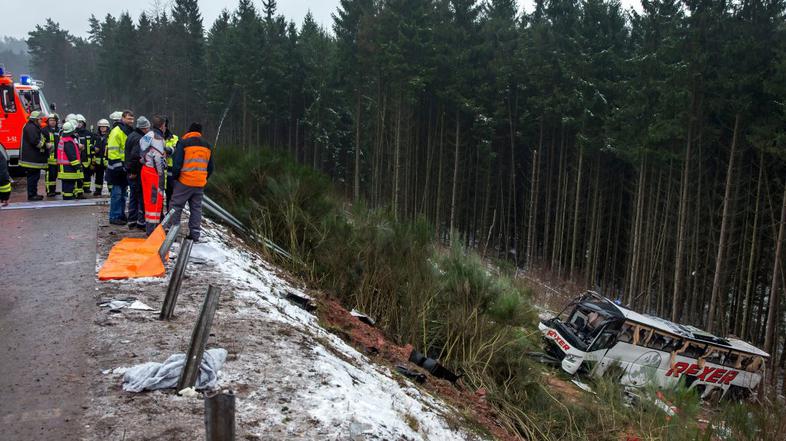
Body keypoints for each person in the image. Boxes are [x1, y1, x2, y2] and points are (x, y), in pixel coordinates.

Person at [171, 123, 214, 242]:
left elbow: (177, 163)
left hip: (184, 181)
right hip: (200, 183)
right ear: (200, 132)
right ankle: (195, 235)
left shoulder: (184, 143)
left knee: (176, 206)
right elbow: (211, 167)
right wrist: (203, 178)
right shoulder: (208, 145)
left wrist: (175, 177)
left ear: (189, 131)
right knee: (196, 208)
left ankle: (172, 234)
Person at [140, 115, 168, 235]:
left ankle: (150, 228)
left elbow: (142, 151)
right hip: (153, 172)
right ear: (162, 126)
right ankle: (152, 231)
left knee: (148, 200)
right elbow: (157, 157)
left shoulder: (148, 135)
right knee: (154, 201)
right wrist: (161, 174)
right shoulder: (157, 138)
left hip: (145, 169)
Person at [107, 110, 134, 225]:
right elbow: (113, 151)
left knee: (123, 194)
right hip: (116, 169)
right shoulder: (116, 131)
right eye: (129, 118)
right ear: (122, 118)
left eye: (132, 119)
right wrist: (119, 167)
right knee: (117, 194)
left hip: (124, 168)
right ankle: (114, 216)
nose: (131, 121)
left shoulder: (127, 131)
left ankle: (121, 214)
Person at [125, 116, 150, 230]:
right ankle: (141, 222)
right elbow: (135, 156)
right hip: (136, 172)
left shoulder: (131, 135)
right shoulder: (140, 138)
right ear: (144, 128)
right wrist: (134, 171)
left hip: (130, 170)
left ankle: (132, 220)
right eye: (147, 128)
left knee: (133, 196)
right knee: (140, 196)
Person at [19, 111, 46, 201]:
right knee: (33, 177)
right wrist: (45, 145)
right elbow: (35, 141)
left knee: (34, 177)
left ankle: (34, 194)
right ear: (35, 120)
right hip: (31, 159)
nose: (41, 121)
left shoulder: (32, 127)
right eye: (40, 119)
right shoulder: (31, 127)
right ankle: (32, 195)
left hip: (32, 158)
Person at [56, 121, 82, 200]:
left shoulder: (64, 139)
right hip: (68, 167)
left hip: (64, 167)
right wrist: (77, 166)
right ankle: (68, 199)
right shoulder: (68, 141)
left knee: (66, 184)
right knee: (69, 185)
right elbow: (72, 156)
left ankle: (67, 196)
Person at [75, 114, 95, 197]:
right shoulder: (74, 133)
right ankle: (79, 191)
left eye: (81, 122)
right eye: (77, 122)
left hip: (88, 158)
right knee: (79, 175)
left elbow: (93, 144)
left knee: (87, 174)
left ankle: (86, 188)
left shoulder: (89, 133)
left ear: (84, 123)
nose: (79, 124)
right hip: (79, 158)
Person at [43, 113, 60, 197]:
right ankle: (49, 191)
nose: (52, 122)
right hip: (49, 157)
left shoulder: (59, 130)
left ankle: (53, 190)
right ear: (48, 121)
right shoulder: (44, 130)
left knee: (55, 175)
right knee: (49, 175)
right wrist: (46, 144)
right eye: (50, 120)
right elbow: (42, 142)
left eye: (54, 120)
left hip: (57, 157)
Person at [92, 119, 110, 196]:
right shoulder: (96, 136)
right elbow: (90, 145)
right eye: (101, 127)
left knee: (109, 176)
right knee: (98, 176)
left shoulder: (110, 136)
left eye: (104, 126)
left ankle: (111, 190)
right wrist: (93, 148)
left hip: (107, 160)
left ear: (107, 127)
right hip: (98, 160)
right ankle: (98, 190)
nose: (102, 128)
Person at [163, 117, 178, 210]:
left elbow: (176, 151)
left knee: (170, 194)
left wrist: (166, 150)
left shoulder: (174, 138)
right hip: (158, 169)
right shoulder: (154, 136)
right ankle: (159, 216)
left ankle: (169, 216)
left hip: (170, 170)